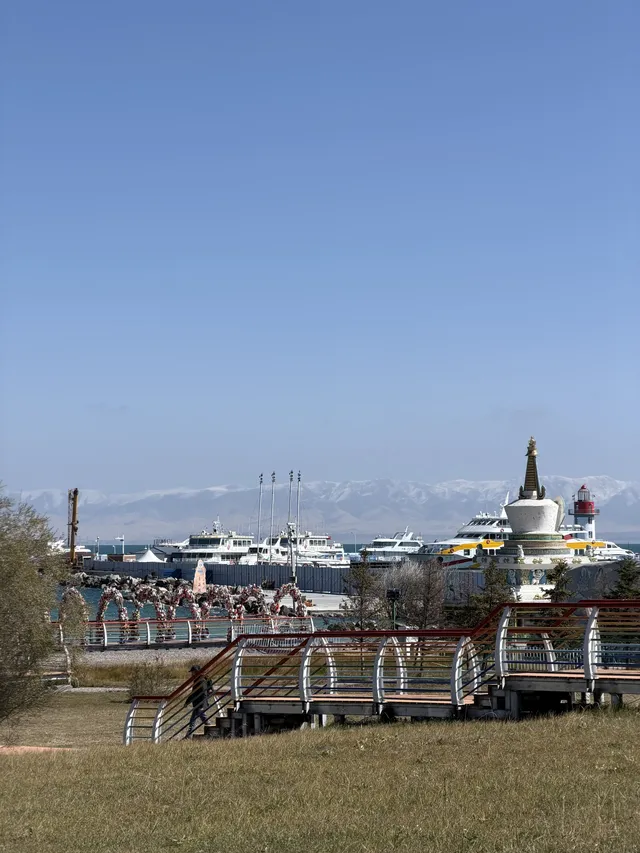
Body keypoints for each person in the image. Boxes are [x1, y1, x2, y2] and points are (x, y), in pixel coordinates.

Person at [185, 665, 210, 738]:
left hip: (199, 704)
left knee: (193, 720)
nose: (192, 674)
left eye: (192, 672)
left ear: (196, 672)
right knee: (202, 718)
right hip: (198, 703)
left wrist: (202, 704)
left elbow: (203, 693)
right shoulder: (199, 680)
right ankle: (210, 727)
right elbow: (194, 693)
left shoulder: (201, 680)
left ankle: (188, 735)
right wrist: (187, 702)